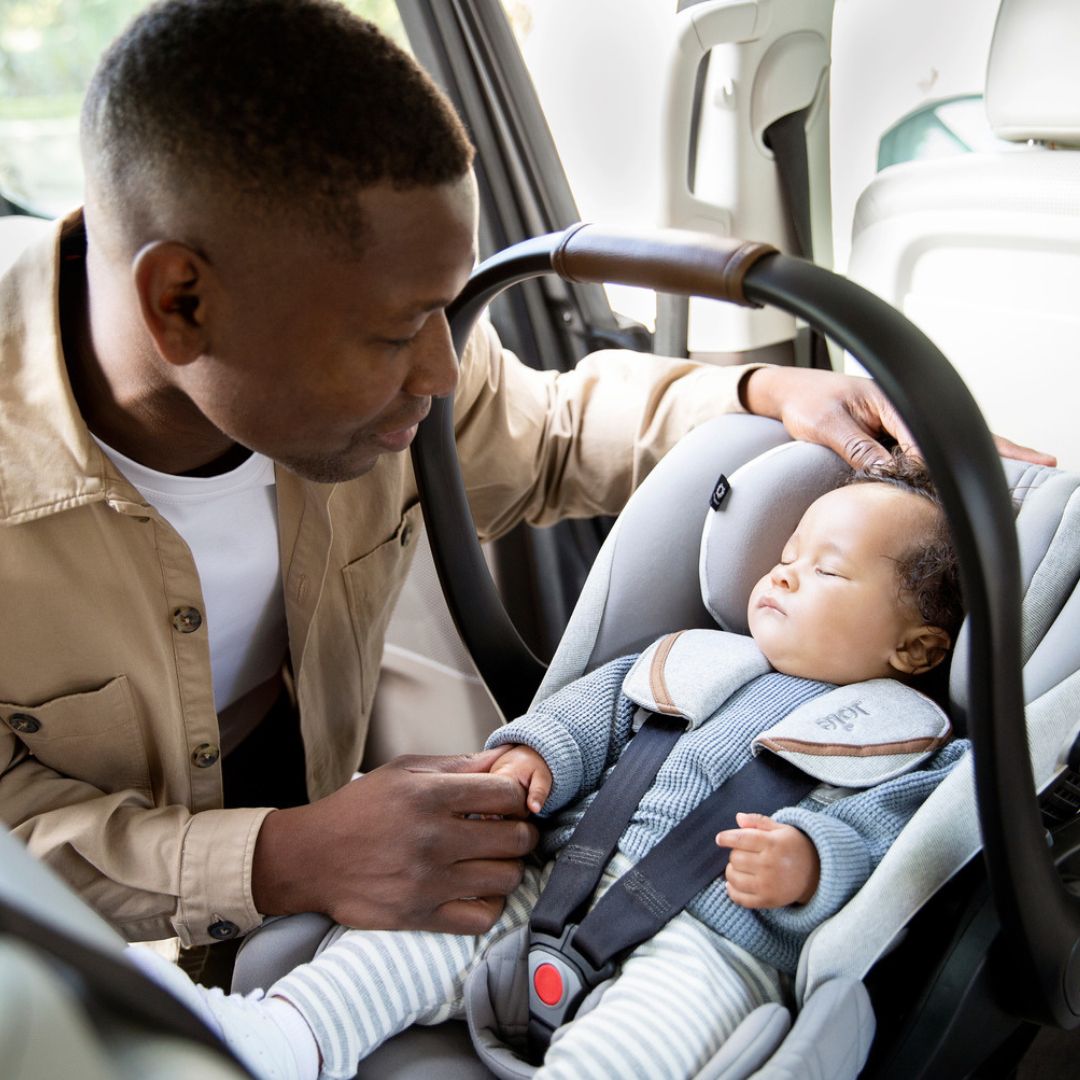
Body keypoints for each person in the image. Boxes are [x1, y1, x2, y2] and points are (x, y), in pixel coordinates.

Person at [0, 0, 1048, 963]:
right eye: (396, 333)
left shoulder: (377, 359)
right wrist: (278, 858)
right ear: (181, 301)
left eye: (448, 314)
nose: (444, 375)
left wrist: (765, 393)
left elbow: (546, 430)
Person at [132, 454, 971, 1080]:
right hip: (549, 878)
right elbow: (591, 714)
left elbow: (890, 846)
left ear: (917, 647)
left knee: (651, 1037)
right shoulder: (692, 660)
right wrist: (536, 753)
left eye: (826, 570)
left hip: (714, 943)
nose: (784, 570)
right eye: (787, 551)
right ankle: (286, 1034)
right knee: (415, 935)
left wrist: (810, 864)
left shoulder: (909, 745)